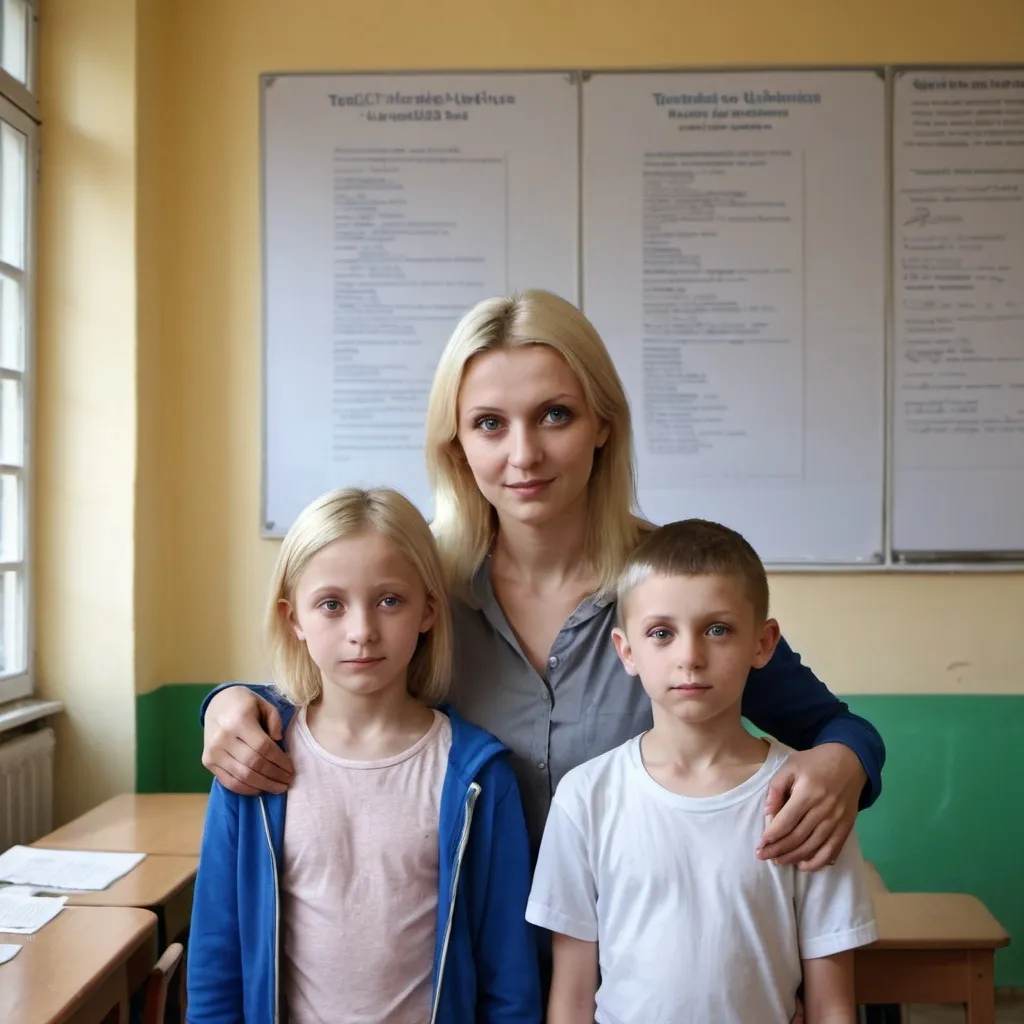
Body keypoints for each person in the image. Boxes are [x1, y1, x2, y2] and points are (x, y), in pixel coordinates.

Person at [200, 289, 885, 871]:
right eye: (490, 424)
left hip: (644, 969)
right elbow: (320, 685)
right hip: (467, 974)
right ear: (457, 447)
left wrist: (842, 765)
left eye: (554, 415)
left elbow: (838, 727)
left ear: (602, 426)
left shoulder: (673, 588)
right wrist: (228, 703)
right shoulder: (420, 589)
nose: (523, 454)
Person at [187, 487, 541, 1024]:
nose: (362, 632)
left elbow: (507, 974)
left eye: (389, 600)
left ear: (428, 609)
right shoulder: (254, 764)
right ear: (294, 620)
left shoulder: (479, 777)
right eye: (331, 604)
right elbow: (217, 956)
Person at [526, 519, 878, 1024]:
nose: (690, 657)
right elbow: (572, 996)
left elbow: (832, 1004)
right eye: (661, 633)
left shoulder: (805, 800)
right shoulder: (586, 797)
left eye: (717, 630)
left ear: (763, 643)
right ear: (627, 650)